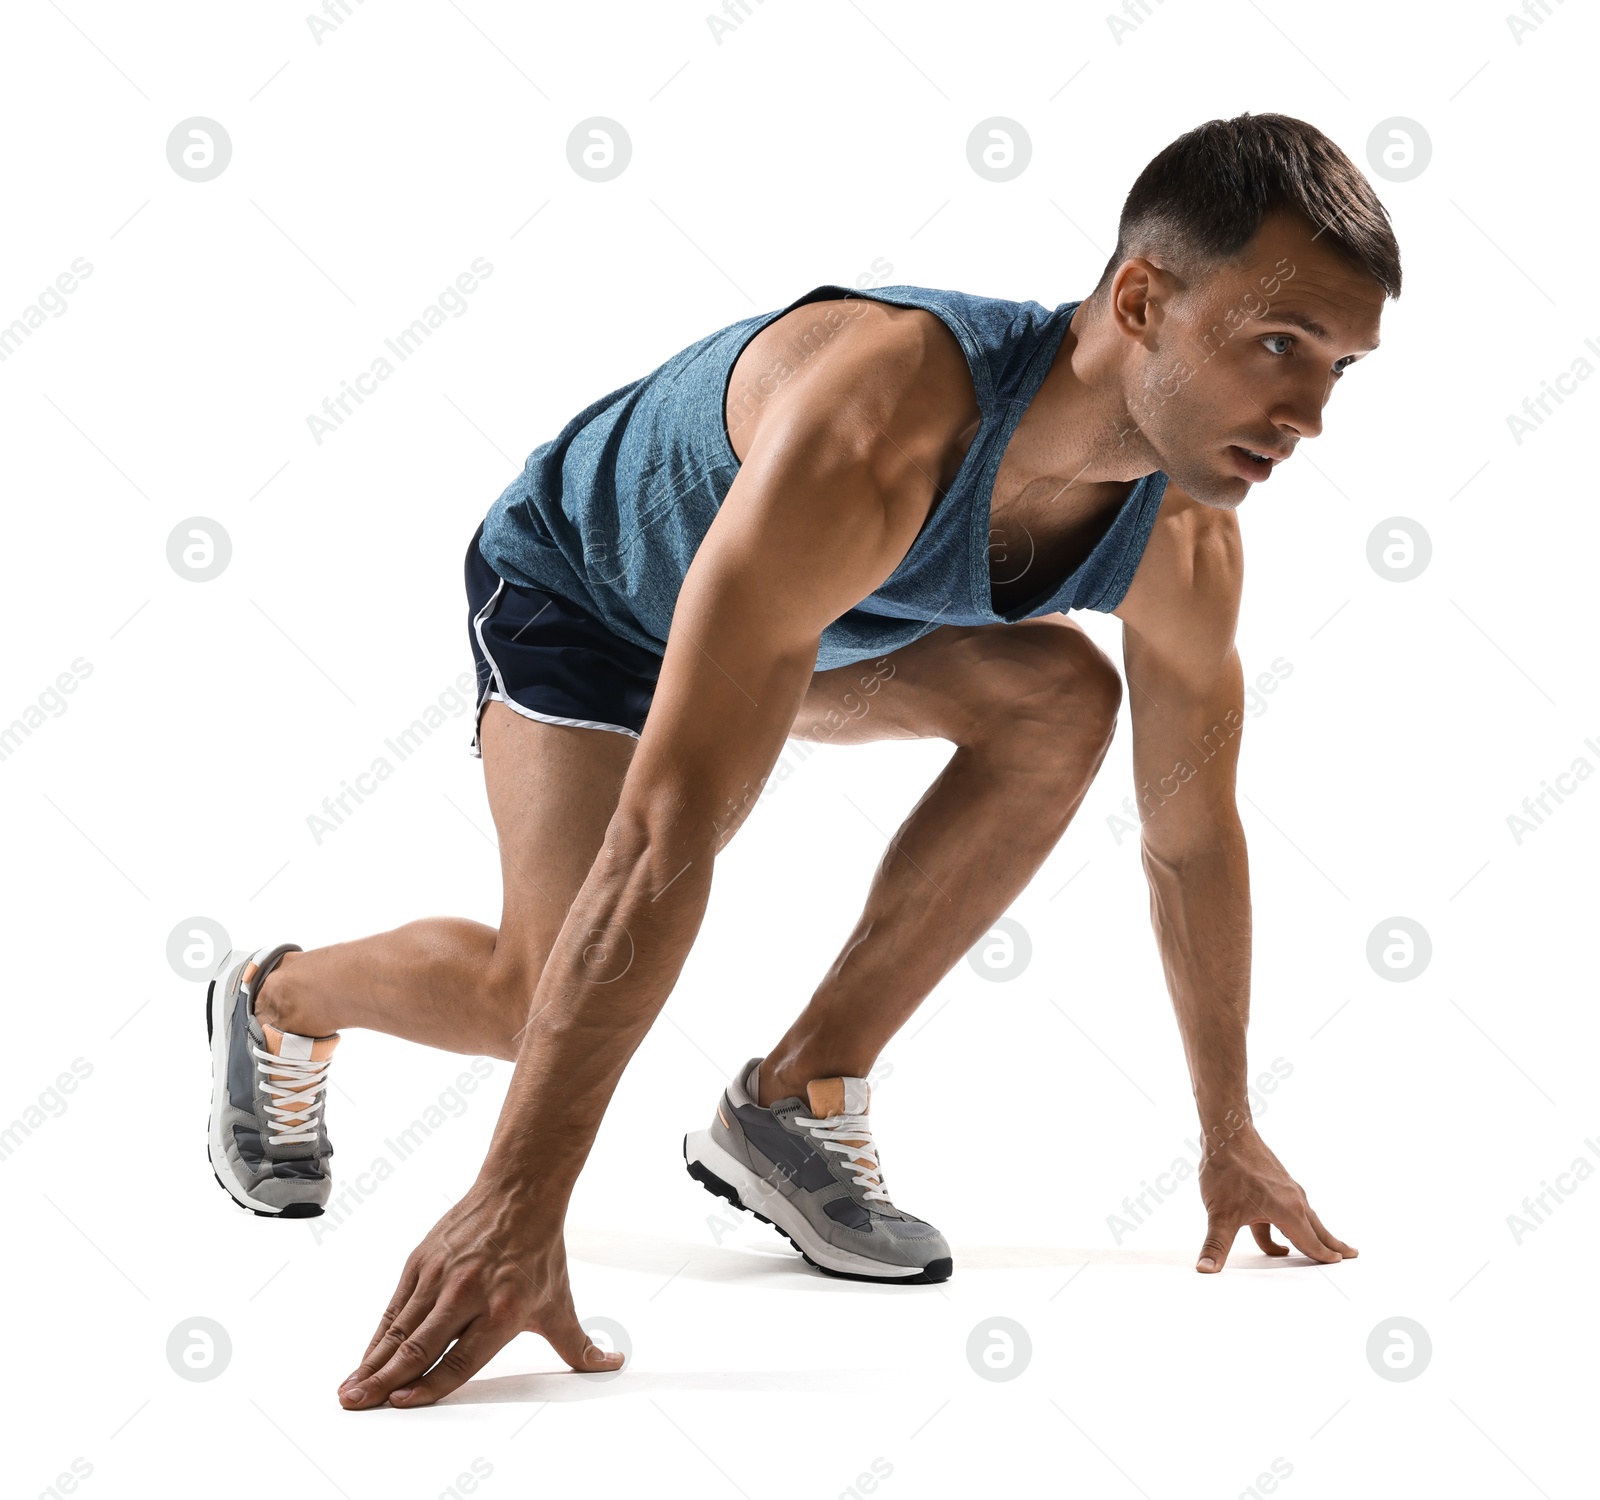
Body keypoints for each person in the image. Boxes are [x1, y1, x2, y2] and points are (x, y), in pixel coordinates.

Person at [202, 110, 1397, 1409]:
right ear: (1142, 299)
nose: (1310, 413)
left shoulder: (1187, 542)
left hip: (823, 617)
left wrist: (1228, 1129)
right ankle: (277, 997)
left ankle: (795, 1095)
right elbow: (665, 836)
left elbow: (1189, 835)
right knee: (528, 998)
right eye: (1279, 345)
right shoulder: (879, 421)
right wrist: (516, 1198)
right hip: (588, 598)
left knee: (1061, 699)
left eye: (1339, 367)